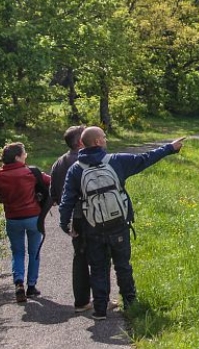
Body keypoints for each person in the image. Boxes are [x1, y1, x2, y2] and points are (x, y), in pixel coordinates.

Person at [59, 126, 185, 320]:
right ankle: (130, 303)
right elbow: (145, 158)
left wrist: (65, 225)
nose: (106, 140)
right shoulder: (116, 161)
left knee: (98, 268)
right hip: (118, 224)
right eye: (104, 137)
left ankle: (100, 310)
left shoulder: (76, 170)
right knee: (123, 265)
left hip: (92, 226)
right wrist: (169, 148)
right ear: (98, 142)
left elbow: (67, 200)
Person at [49, 125, 96, 312]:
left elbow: (53, 193)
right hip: (91, 216)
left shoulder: (58, 162)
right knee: (98, 258)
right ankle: (102, 300)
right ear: (80, 142)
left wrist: (65, 220)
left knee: (80, 258)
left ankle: (82, 302)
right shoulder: (85, 162)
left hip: (73, 218)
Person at [0, 142, 51, 303]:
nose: (25, 156)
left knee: (17, 252)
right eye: (24, 154)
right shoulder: (31, 172)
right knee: (34, 252)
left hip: (12, 218)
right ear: (17, 157)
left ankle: (18, 282)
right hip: (33, 218)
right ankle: (31, 286)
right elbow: (51, 182)